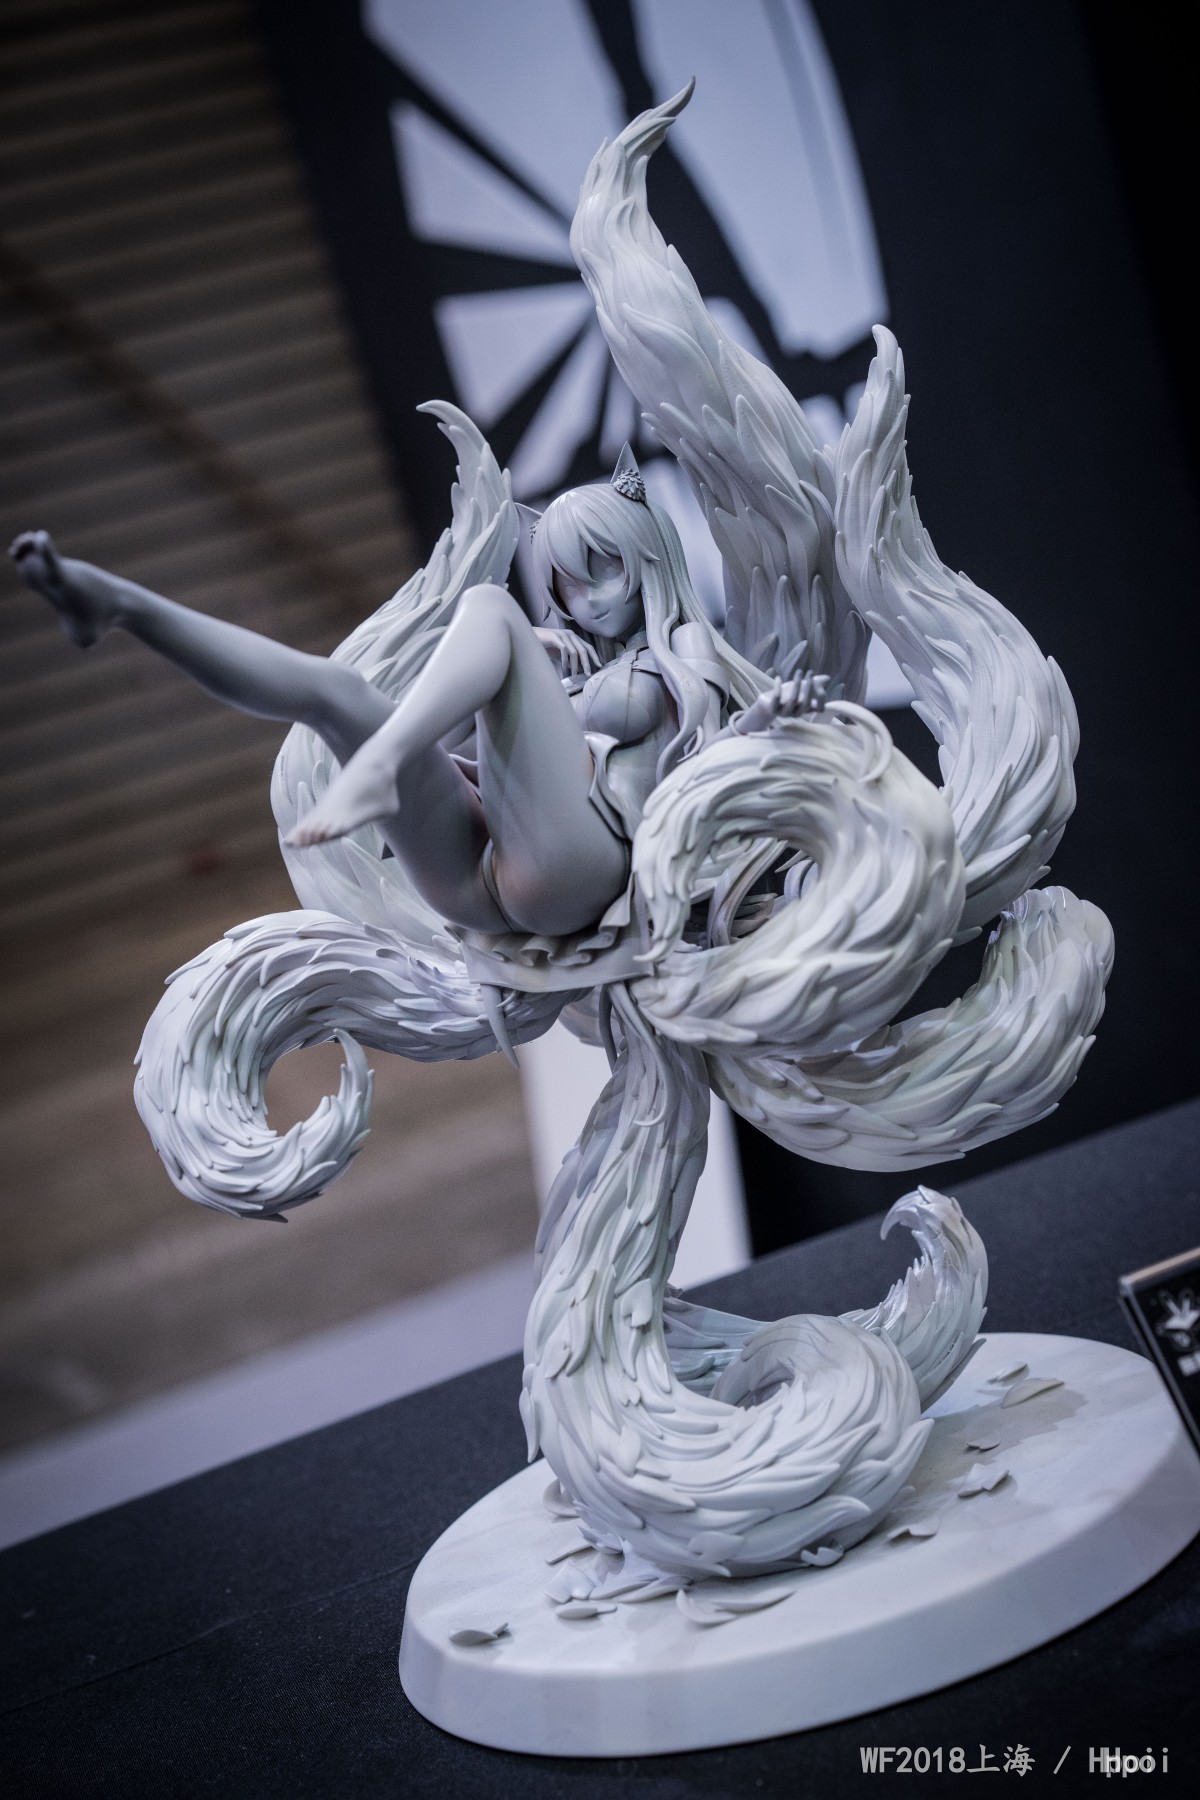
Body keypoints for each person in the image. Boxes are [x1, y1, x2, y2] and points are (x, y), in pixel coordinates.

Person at [11, 467, 766, 942]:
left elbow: (721, 762)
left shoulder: (682, 652)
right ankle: (122, 606)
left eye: (605, 570)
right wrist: (525, 664)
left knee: (487, 606)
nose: (587, 598)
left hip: (583, 870)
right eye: (567, 580)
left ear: (650, 561)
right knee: (335, 691)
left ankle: (378, 762)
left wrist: (772, 722)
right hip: (483, 882)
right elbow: (469, 753)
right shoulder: (570, 659)